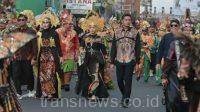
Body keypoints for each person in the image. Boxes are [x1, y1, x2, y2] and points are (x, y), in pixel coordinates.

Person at [110, 14, 141, 107]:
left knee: (128, 81)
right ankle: (125, 95)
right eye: (126, 20)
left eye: (129, 20)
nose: (127, 21)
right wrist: (111, 62)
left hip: (130, 60)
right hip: (119, 59)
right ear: (122, 21)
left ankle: (126, 100)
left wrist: (138, 62)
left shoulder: (135, 32)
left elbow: (138, 47)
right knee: (119, 81)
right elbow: (113, 48)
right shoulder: (116, 31)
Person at [78, 13, 109, 100]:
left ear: (97, 28)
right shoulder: (85, 37)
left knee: (95, 74)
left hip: (97, 58)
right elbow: (81, 47)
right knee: (89, 75)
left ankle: (94, 94)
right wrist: (81, 51)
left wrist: (106, 58)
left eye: (94, 27)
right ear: (88, 27)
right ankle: (90, 93)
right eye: (90, 27)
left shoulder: (100, 37)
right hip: (87, 58)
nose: (92, 29)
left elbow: (103, 49)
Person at [10, 14, 36, 99]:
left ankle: (31, 90)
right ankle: (18, 92)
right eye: (19, 20)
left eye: (23, 20)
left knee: (29, 74)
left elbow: (35, 46)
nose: (21, 21)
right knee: (15, 75)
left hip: (27, 56)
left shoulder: (31, 31)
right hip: (16, 57)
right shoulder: (14, 31)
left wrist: (34, 57)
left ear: (26, 21)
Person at [36, 17, 62, 99]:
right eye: (43, 22)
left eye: (47, 22)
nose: (45, 24)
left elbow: (58, 46)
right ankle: (45, 93)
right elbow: (36, 47)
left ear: (50, 23)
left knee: (50, 74)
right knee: (43, 75)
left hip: (51, 56)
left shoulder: (54, 33)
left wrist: (61, 56)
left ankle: (50, 93)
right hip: (42, 57)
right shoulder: (39, 34)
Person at [56, 14, 79, 92]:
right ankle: (62, 83)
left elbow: (76, 43)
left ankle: (67, 84)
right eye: (67, 23)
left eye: (70, 24)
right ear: (63, 23)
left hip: (70, 54)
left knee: (68, 70)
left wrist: (77, 53)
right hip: (59, 54)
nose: (69, 25)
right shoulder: (57, 31)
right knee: (60, 70)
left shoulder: (74, 32)